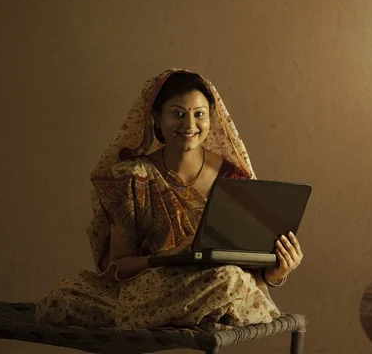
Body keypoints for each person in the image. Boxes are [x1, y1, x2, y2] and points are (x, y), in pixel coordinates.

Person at [35, 68, 305, 332]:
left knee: (229, 279)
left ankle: (172, 314)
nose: (189, 125)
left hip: (218, 283)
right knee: (65, 297)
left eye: (199, 114)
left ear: (212, 118)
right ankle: (161, 314)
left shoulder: (233, 177)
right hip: (152, 287)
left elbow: (248, 271)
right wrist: (166, 257)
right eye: (178, 114)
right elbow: (117, 267)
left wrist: (276, 273)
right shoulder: (133, 177)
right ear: (156, 118)